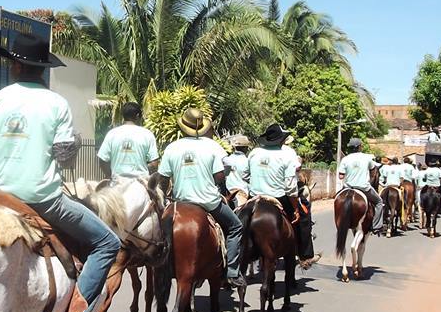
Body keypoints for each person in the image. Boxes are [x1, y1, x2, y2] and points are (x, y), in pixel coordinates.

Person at [0, 33, 121, 312]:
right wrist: (72, 145)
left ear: (15, 67)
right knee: (108, 243)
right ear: (42, 69)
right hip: (43, 199)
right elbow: (64, 156)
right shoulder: (56, 102)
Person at [158, 108, 246, 289]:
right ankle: (232, 272)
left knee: (158, 231)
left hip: (180, 202)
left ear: (182, 126)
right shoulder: (211, 145)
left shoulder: (172, 148)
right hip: (209, 202)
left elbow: (163, 179)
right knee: (236, 226)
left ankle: (159, 264)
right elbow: (220, 176)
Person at [247, 123, 319, 268]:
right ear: (281, 140)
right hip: (279, 197)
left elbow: (247, 174)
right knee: (304, 214)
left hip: (254, 197)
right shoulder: (287, 154)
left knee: (236, 223)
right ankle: (305, 254)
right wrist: (296, 209)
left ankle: (231, 261)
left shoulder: (254, 153)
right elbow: (290, 187)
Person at [96, 101, 159, 180]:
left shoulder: (112, 134)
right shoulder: (147, 134)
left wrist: (110, 175)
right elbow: (154, 165)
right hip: (140, 185)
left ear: (123, 116)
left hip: (117, 184)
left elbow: (102, 160)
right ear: (138, 116)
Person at [337, 137, 384, 234]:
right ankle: (376, 226)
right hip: (364, 187)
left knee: (337, 199)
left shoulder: (345, 159)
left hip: (348, 187)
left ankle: (340, 223)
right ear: (360, 147)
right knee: (379, 202)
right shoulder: (367, 157)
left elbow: (341, 176)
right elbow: (373, 171)